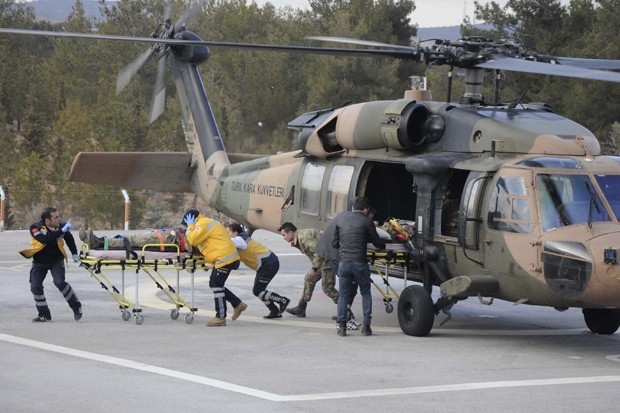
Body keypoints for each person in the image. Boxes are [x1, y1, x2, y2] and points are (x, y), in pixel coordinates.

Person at [182, 209, 246, 327]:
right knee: (216, 284)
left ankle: (220, 317)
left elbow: (193, 239)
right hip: (224, 258)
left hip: (225, 259)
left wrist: (190, 227)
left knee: (216, 285)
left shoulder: (202, 224)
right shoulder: (204, 224)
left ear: (192, 219)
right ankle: (237, 304)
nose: (187, 226)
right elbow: (210, 245)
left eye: (187, 223)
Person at [333, 197, 386, 337]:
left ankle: (342, 327)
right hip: (359, 263)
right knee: (365, 293)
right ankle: (366, 327)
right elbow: (376, 241)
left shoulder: (341, 220)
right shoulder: (366, 221)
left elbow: (335, 243)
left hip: (344, 263)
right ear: (366, 209)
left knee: (343, 295)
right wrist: (383, 246)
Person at [19, 207, 83, 322]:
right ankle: (44, 314)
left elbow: (69, 238)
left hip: (56, 260)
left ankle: (76, 306)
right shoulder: (35, 227)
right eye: (56, 217)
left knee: (59, 282)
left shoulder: (61, 226)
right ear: (48, 221)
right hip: (39, 261)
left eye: (59, 216)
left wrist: (74, 253)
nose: (59, 219)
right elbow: (44, 239)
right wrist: (62, 231)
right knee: (35, 286)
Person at [226, 222, 290, 319]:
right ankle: (274, 311)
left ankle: (282, 300)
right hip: (268, 263)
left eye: (228, 232)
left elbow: (235, 243)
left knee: (258, 290)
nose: (227, 235)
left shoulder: (239, 240)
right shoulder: (240, 239)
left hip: (268, 264)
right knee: (259, 290)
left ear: (235, 233)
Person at [278, 222, 339, 317]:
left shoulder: (304, 238)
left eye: (284, 235)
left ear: (290, 232)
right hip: (323, 259)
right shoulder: (299, 238)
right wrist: (314, 269)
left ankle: (346, 312)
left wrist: (314, 269)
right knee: (309, 279)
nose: (283, 237)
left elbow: (319, 251)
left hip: (328, 258)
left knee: (328, 288)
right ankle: (301, 308)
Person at [79, 228, 191, 253]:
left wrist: (188, 233)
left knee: (131, 241)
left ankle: (97, 242)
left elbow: (189, 248)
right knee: (127, 238)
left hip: (162, 241)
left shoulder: (201, 242)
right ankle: (98, 241)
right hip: (160, 236)